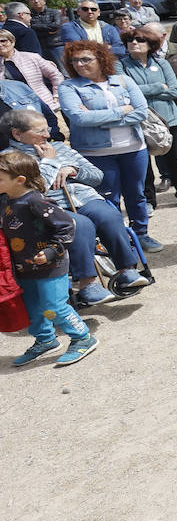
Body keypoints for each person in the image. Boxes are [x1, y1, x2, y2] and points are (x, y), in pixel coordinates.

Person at [2, 108, 152, 305]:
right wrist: (50, 162)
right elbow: (37, 189)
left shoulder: (60, 148)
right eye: (40, 132)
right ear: (17, 134)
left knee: (109, 215)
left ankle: (127, 271)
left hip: (83, 198)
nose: (47, 135)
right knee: (80, 225)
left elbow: (97, 176)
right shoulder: (9, 160)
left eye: (47, 129)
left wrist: (74, 170)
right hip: (44, 210)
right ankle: (87, 285)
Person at [58, 41, 160, 253]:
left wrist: (98, 118)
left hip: (133, 148)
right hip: (95, 153)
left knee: (136, 194)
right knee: (107, 199)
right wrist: (122, 111)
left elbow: (141, 111)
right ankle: (117, 241)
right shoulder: (68, 87)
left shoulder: (123, 81)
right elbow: (78, 118)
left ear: (101, 59)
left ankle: (141, 235)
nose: (79, 64)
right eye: (74, 60)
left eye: (85, 59)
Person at [0, 150, 98, 367]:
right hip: (24, 268)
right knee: (33, 308)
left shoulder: (35, 202)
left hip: (51, 267)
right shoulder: (8, 201)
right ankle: (45, 340)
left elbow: (66, 226)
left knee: (53, 306)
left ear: (19, 180)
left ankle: (83, 337)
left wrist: (54, 251)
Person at [116, 23, 177, 211]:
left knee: (174, 159)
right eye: (130, 40)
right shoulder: (120, 65)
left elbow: (174, 90)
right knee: (143, 164)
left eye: (139, 40)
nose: (134, 43)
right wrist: (159, 87)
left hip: (168, 119)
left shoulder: (162, 63)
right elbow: (123, 93)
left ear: (150, 44)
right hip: (139, 122)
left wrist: (138, 91)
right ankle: (149, 200)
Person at [0, 27, 62, 114]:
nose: (0, 45)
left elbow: (55, 75)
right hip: (19, 111)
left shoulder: (32, 57)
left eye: (3, 41)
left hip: (47, 104)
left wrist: (57, 95)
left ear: (12, 41)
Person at [60, 0, 126, 58]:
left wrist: (90, 47)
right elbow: (77, 48)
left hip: (107, 64)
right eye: (85, 9)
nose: (90, 12)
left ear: (99, 12)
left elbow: (121, 50)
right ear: (78, 12)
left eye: (93, 9)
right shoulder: (69, 27)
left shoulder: (109, 28)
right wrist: (106, 48)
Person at [26, 0, 66, 64]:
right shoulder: (28, 15)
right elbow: (28, 28)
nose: (36, 1)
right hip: (38, 47)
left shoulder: (54, 12)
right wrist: (48, 30)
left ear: (44, 1)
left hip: (56, 46)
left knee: (64, 71)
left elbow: (55, 26)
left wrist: (35, 27)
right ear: (29, 2)